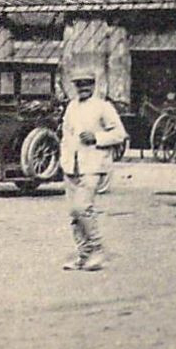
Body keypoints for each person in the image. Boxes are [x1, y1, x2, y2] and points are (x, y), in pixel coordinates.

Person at [60, 74, 128, 271]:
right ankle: (83, 254)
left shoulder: (103, 107)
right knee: (74, 213)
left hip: (93, 164)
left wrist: (96, 137)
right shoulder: (71, 107)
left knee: (83, 208)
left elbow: (120, 134)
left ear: (94, 85)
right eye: (79, 84)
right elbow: (66, 134)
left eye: (87, 84)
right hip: (71, 165)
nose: (83, 88)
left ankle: (97, 251)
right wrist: (63, 159)